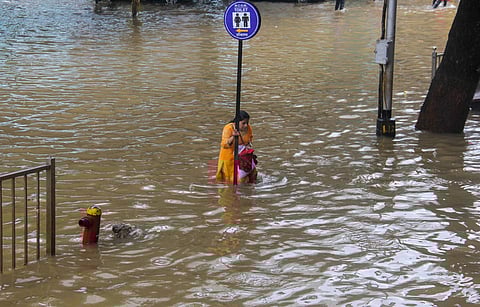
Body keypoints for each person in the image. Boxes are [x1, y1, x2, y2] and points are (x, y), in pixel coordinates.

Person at [216, 110, 257, 184]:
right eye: (243, 123)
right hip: (229, 157)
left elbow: (250, 139)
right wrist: (233, 137)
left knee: (252, 173)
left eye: (247, 123)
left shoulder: (248, 128)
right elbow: (224, 144)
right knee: (231, 180)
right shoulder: (228, 128)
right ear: (236, 122)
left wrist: (248, 145)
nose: (246, 125)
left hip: (243, 157)